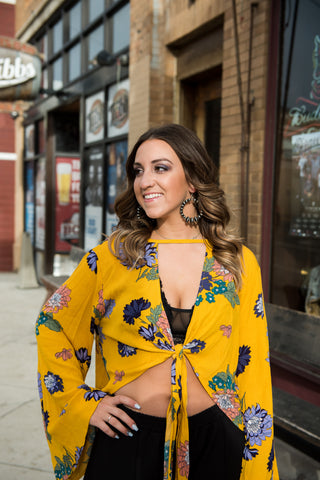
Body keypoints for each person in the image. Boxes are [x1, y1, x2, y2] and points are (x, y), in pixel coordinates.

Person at [36, 124, 278, 480]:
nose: (145, 180)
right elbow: (54, 324)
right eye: (138, 170)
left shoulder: (236, 262)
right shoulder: (113, 258)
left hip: (216, 439)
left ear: (192, 179)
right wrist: (82, 402)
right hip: (128, 437)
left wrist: (258, 457)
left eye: (160, 168)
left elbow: (253, 364)